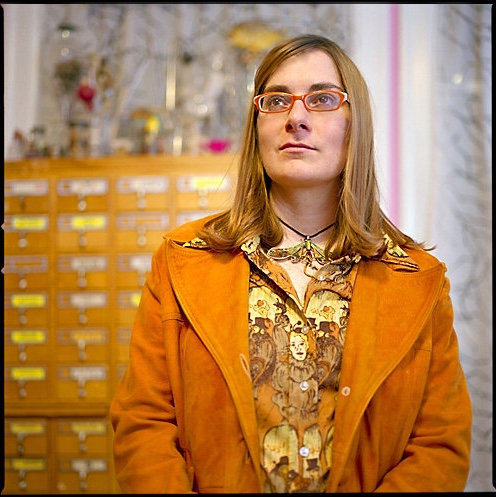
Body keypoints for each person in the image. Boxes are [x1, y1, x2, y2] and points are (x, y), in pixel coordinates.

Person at [110, 34, 472, 493]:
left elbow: (439, 444)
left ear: (355, 125)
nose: (295, 118)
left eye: (322, 99)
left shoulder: (419, 279)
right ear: (256, 126)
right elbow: (144, 422)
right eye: (277, 100)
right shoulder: (182, 260)